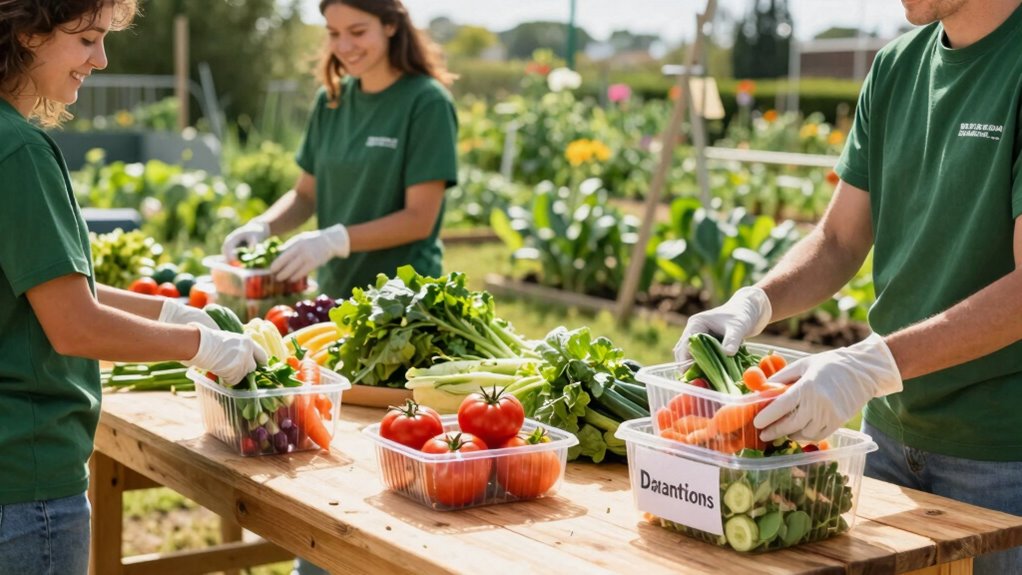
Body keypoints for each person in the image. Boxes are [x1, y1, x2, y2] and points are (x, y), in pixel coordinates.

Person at [675, 1, 1022, 572]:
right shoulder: (895, 68)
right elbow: (838, 240)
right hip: (883, 440)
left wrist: (867, 366)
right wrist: (755, 302)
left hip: (1000, 459)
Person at [0, 2, 266, 572]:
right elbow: (74, 325)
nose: (101, 59)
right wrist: (202, 347)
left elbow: (45, 288)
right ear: (27, 34)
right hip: (25, 485)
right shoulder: (19, 150)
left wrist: (170, 313)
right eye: (88, 39)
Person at [221, 0, 458, 302]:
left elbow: (419, 218)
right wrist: (262, 226)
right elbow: (306, 195)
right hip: (336, 297)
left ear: (391, 26)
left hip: (406, 305)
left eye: (357, 32)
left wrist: (334, 240)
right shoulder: (331, 100)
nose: (344, 46)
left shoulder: (426, 103)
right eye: (333, 33)